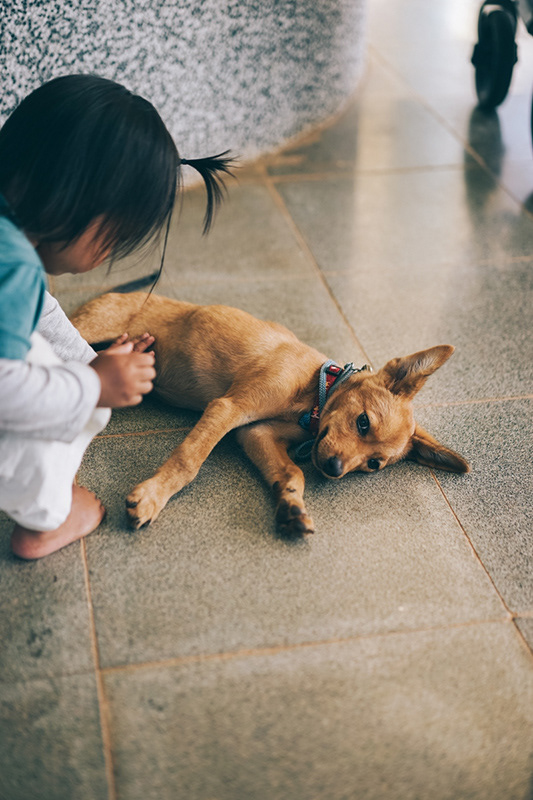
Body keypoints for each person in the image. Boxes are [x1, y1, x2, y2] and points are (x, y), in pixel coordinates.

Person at [0, 74, 233, 560]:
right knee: (78, 399)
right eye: (115, 237)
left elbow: (35, 308)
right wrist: (95, 385)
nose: (108, 256)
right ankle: (49, 517)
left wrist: (88, 359)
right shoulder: (15, 265)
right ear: (80, 201)